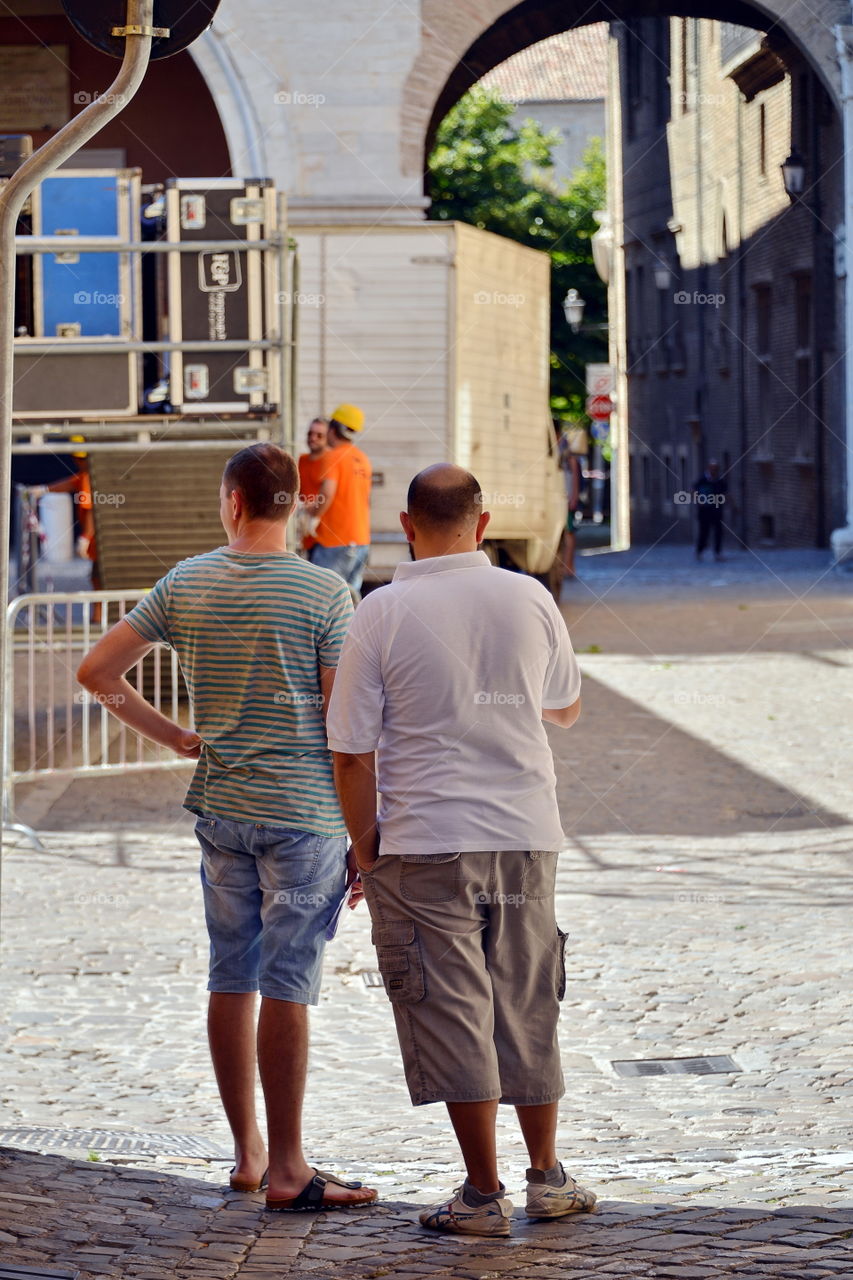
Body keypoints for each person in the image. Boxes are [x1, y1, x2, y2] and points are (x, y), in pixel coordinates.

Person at [77, 443, 377, 1214]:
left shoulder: (187, 582)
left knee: (230, 975)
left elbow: (97, 673)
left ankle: (247, 1156)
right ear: (294, 506)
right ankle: (289, 1168)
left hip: (222, 810)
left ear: (233, 504)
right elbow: (344, 729)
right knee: (287, 984)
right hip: (304, 816)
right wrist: (363, 833)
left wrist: (170, 735)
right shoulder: (324, 594)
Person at [327, 463, 595, 1238]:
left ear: (406, 526)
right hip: (523, 837)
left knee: (452, 1011)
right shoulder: (528, 596)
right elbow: (566, 706)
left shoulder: (380, 612)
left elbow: (350, 752)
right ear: (480, 526)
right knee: (524, 999)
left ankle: (482, 1195)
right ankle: (547, 1177)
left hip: (424, 843)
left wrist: (366, 848)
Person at [307, 403, 372, 598]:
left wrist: (311, 512)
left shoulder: (333, 456)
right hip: (360, 541)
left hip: (334, 541)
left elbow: (327, 493)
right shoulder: (362, 459)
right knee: (350, 600)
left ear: (333, 428)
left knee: (322, 597)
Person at [297, 417, 330, 556]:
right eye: (310, 433)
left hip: (328, 539)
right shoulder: (301, 460)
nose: (313, 438)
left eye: (319, 435)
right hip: (307, 536)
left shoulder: (332, 460)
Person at [557, 426, 582, 577]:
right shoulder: (559, 452)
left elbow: (575, 478)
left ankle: (569, 566)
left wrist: (574, 497)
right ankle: (565, 566)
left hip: (567, 499)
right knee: (565, 533)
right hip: (559, 499)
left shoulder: (568, 454)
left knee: (569, 533)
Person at [693, 459, 728, 561]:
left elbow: (725, 493)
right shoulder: (702, 480)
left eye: (716, 469)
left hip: (717, 511)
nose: (714, 471)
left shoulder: (720, 481)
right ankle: (699, 551)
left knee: (718, 532)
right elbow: (694, 491)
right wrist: (699, 501)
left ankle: (717, 552)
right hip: (704, 511)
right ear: (708, 468)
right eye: (712, 468)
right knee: (704, 532)